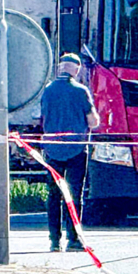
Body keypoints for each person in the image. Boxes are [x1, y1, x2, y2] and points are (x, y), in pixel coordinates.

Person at [40, 53, 99, 252]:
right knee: (74, 194)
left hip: (52, 149)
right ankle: (73, 239)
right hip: (76, 149)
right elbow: (93, 121)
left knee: (53, 194)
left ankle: (54, 240)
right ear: (76, 69)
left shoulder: (47, 91)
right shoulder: (81, 91)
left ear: (60, 68)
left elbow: (42, 116)